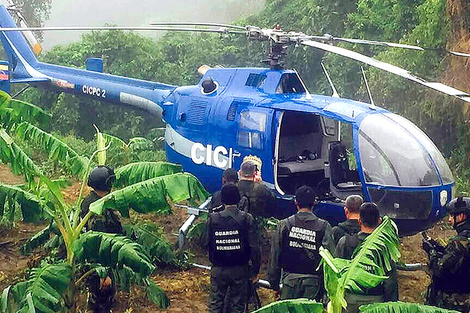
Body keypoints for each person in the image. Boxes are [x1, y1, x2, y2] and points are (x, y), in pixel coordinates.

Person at [267, 185, 335, 301]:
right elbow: (330, 262)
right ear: (314, 203)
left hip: (289, 282)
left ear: (296, 202)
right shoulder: (324, 227)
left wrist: (274, 284)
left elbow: (275, 257)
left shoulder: (284, 225)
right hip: (313, 284)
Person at [202, 183, 260, 313]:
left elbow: (205, 242)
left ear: (222, 200)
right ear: (239, 199)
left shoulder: (213, 219)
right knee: (237, 305)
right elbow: (254, 248)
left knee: (215, 304)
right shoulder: (246, 218)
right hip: (240, 270)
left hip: (218, 269)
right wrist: (255, 270)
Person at [335, 202, 398, 313]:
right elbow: (390, 283)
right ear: (379, 221)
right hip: (375, 303)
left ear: (359, 221)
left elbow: (336, 273)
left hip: (349, 302)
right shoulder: (384, 247)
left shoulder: (345, 243)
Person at [80, 165, 123, 313]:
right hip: (99, 266)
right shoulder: (97, 210)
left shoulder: (91, 201)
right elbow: (98, 243)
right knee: (101, 302)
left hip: (94, 264)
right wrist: (103, 274)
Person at [422, 196, 470, 312]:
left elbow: (439, 269)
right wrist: (437, 246)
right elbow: (458, 259)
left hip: (453, 301)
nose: (449, 220)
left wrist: (431, 251)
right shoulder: (463, 240)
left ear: (461, 216)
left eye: (451, 215)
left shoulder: (459, 242)